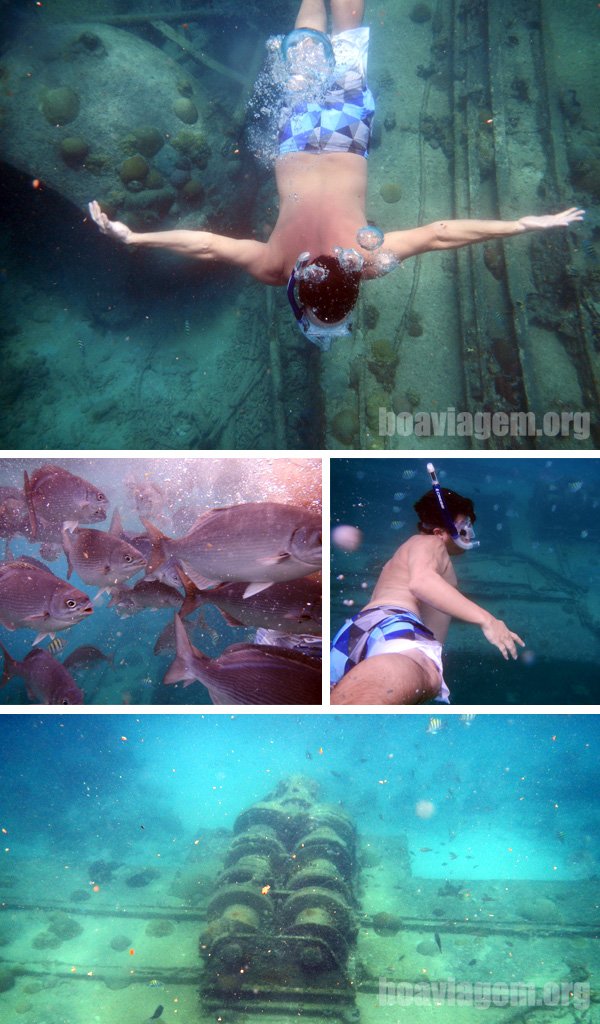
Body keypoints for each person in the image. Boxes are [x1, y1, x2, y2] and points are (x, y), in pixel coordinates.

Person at [88, 0, 584, 349]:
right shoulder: (277, 268)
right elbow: (207, 244)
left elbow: (441, 233)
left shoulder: (366, 259)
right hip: (296, 134)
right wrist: (136, 238)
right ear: (301, 294)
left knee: (346, 30)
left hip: (348, 131)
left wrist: (522, 225)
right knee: (307, 35)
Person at [330, 464, 525, 705]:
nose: (469, 535)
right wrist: (488, 620)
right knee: (425, 673)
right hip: (395, 624)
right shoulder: (431, 544)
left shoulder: (411, 550)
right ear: (440, 532)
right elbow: (421, 583)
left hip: (355, 632)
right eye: (464, 528)